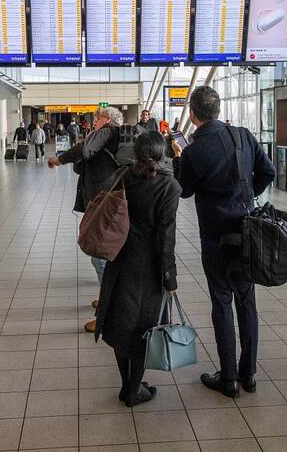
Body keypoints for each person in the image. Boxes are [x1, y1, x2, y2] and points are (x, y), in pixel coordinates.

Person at [171, 86, 275, 398]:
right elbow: (268, 172)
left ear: (193, 114)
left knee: (222, 302)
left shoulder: (192, 150)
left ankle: (228, 377)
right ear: (218, 109)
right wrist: (246, 197)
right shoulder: (242, 135)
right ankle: (250, 373)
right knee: (247, 301)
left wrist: (178, 159)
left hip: (215, 235)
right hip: (247, 229)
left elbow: (184, 190)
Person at [95, 131, 180, 406]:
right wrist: (170, 276)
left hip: (119, 258)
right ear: (162, 153)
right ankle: (134, 390)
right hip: (149, 266)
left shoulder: (123, 176)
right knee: (146, 327)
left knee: (121, 323)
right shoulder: (169, 187)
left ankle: (125, 385)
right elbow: (166, 237)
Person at [47, 106, 123, 332]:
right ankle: (107, 296)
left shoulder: (108, 132)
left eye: (97, 117)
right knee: (101, 254)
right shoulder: (109, 138)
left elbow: (84, 150)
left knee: (100, 255)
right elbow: (82, 165)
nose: (95, 121)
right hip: (103, 201)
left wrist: (59, 159)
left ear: (106, 119)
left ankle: (109, 312)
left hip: (105, 203)